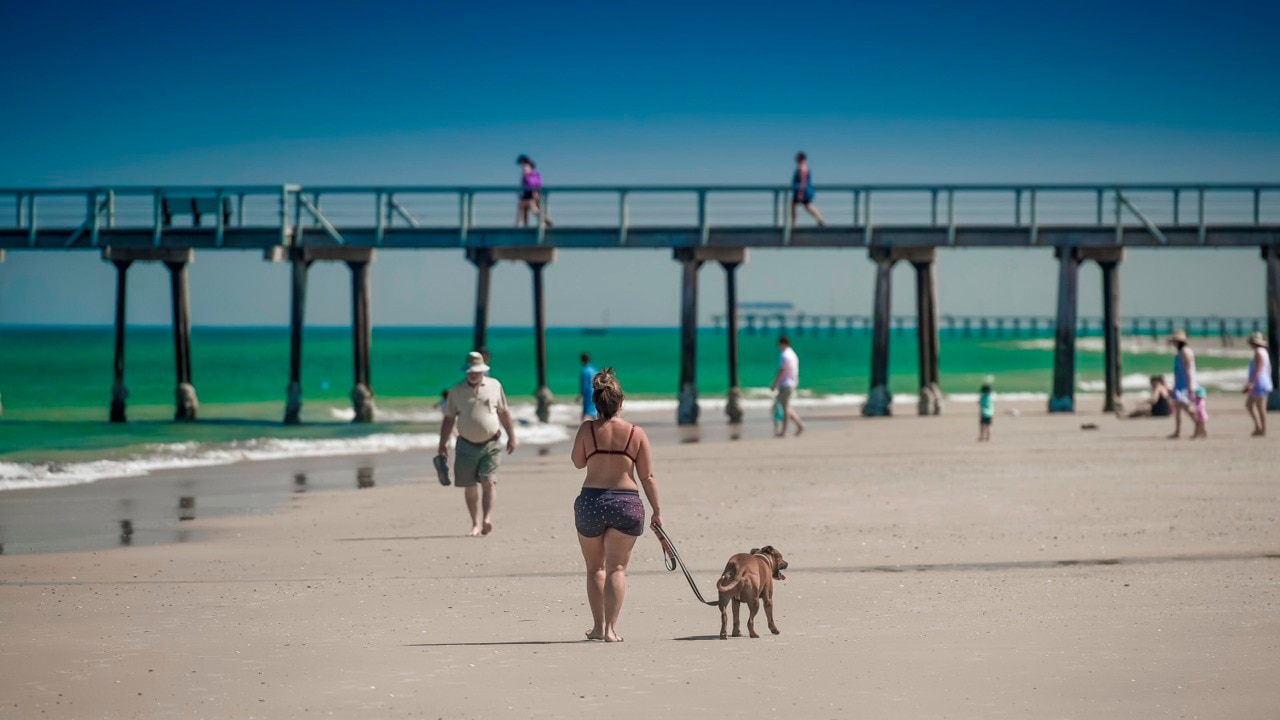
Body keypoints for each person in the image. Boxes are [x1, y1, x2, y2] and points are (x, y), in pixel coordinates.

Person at [570, 369, 661, 643]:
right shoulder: (636, 432)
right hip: (626, 502)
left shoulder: (587, 429)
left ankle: (598, 628)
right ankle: (611, 630)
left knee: (595, 568)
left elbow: (578, 462)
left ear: (597, 403)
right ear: (620, 402)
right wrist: (657, 511)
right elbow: (647, 476)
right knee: (617, 569)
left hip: (591, 502)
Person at [437, 351, 517, 536]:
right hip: (465, 445)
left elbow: (504, 413)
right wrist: (442, 445)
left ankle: (487, 518)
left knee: (489, 482)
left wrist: (511, 436)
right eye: (469, 371)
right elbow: (448, 419)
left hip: (491, 443)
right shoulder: (456, 391)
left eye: (476, 370)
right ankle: (475, 523)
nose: (472, 374)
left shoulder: (495, 386)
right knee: (470, 486)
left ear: (482, 370)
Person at [770, 336, 805, 437]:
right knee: (786, 407)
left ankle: (783, 431)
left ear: (782, 344)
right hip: (792, 382)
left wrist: (774, 383)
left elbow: (782, 370)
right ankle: (799, 424)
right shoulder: (793, 354)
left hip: (785, 384)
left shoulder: (784, 355)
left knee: (782, 407)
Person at [1168, 329, 1198, 439]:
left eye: (1175, 341)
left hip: (1186, 385)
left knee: (1187, 408)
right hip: (1180, 384)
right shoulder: (1181, 352)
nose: (1173, 343)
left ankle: (1199, 427)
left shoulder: (1186, 351)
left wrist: (1190, 386)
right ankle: (1177, 432)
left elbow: (1189, 370)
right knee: (1178, 409)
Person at [1242, 331, 1272, 437]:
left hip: (1259, 382)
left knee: (1260, 408)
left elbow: (1258, 369)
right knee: (1249, 405)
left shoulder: (1259, 352)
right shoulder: (1263, 351)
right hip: (1261, 382)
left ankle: (1262, 429)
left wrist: (1251, 383)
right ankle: (1258, 427)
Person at [790, 152, 826, 227]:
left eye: (797, 158)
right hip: (802, 191)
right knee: (807, 206)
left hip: (801, 191)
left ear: (800, 159)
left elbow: (803, 181)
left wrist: (800, 194)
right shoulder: (804, 166)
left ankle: (793, 223)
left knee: (802, 206)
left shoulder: (802, 167)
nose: (796, 160)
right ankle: (820, 220)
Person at [516, 155, 552, 228]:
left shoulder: (532, 174)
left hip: (532, 194)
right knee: (523, 209)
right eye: (522, 166)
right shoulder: (527, 175)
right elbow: (524, 186)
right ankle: (523, 225)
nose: (523, 168)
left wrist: (535, 192)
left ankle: (544, 219)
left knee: (531, 208)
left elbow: (534, 184)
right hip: (527, 194)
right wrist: (520, 194)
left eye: (525, 166)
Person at [579, 353, 598, 421]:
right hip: (595, 391)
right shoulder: (593, 369)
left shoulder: (584, 371)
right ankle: (596, 424)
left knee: (585, 409)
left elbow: (584, 385)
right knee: (594, 409)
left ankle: (582, 425)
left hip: (588, 393)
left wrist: (580, 395)